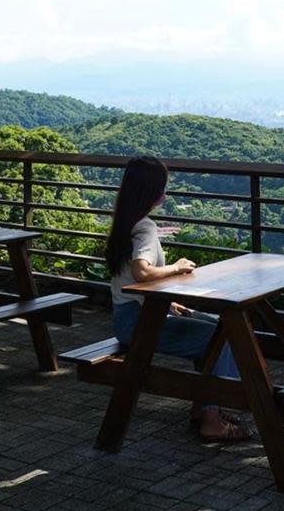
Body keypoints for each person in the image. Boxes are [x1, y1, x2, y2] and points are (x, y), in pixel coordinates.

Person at [106, 155, 250, 442]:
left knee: (217, 324)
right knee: (223, 336)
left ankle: (207, 405)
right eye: (162, 186)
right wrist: (177, 267)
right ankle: (212, 418)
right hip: (137, 323)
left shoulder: (124, 220)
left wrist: (168, 303)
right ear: (152, 191)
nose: (165, 192)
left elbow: (129, 279)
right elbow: (142, 271)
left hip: (129, 316)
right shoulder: (145, 226)